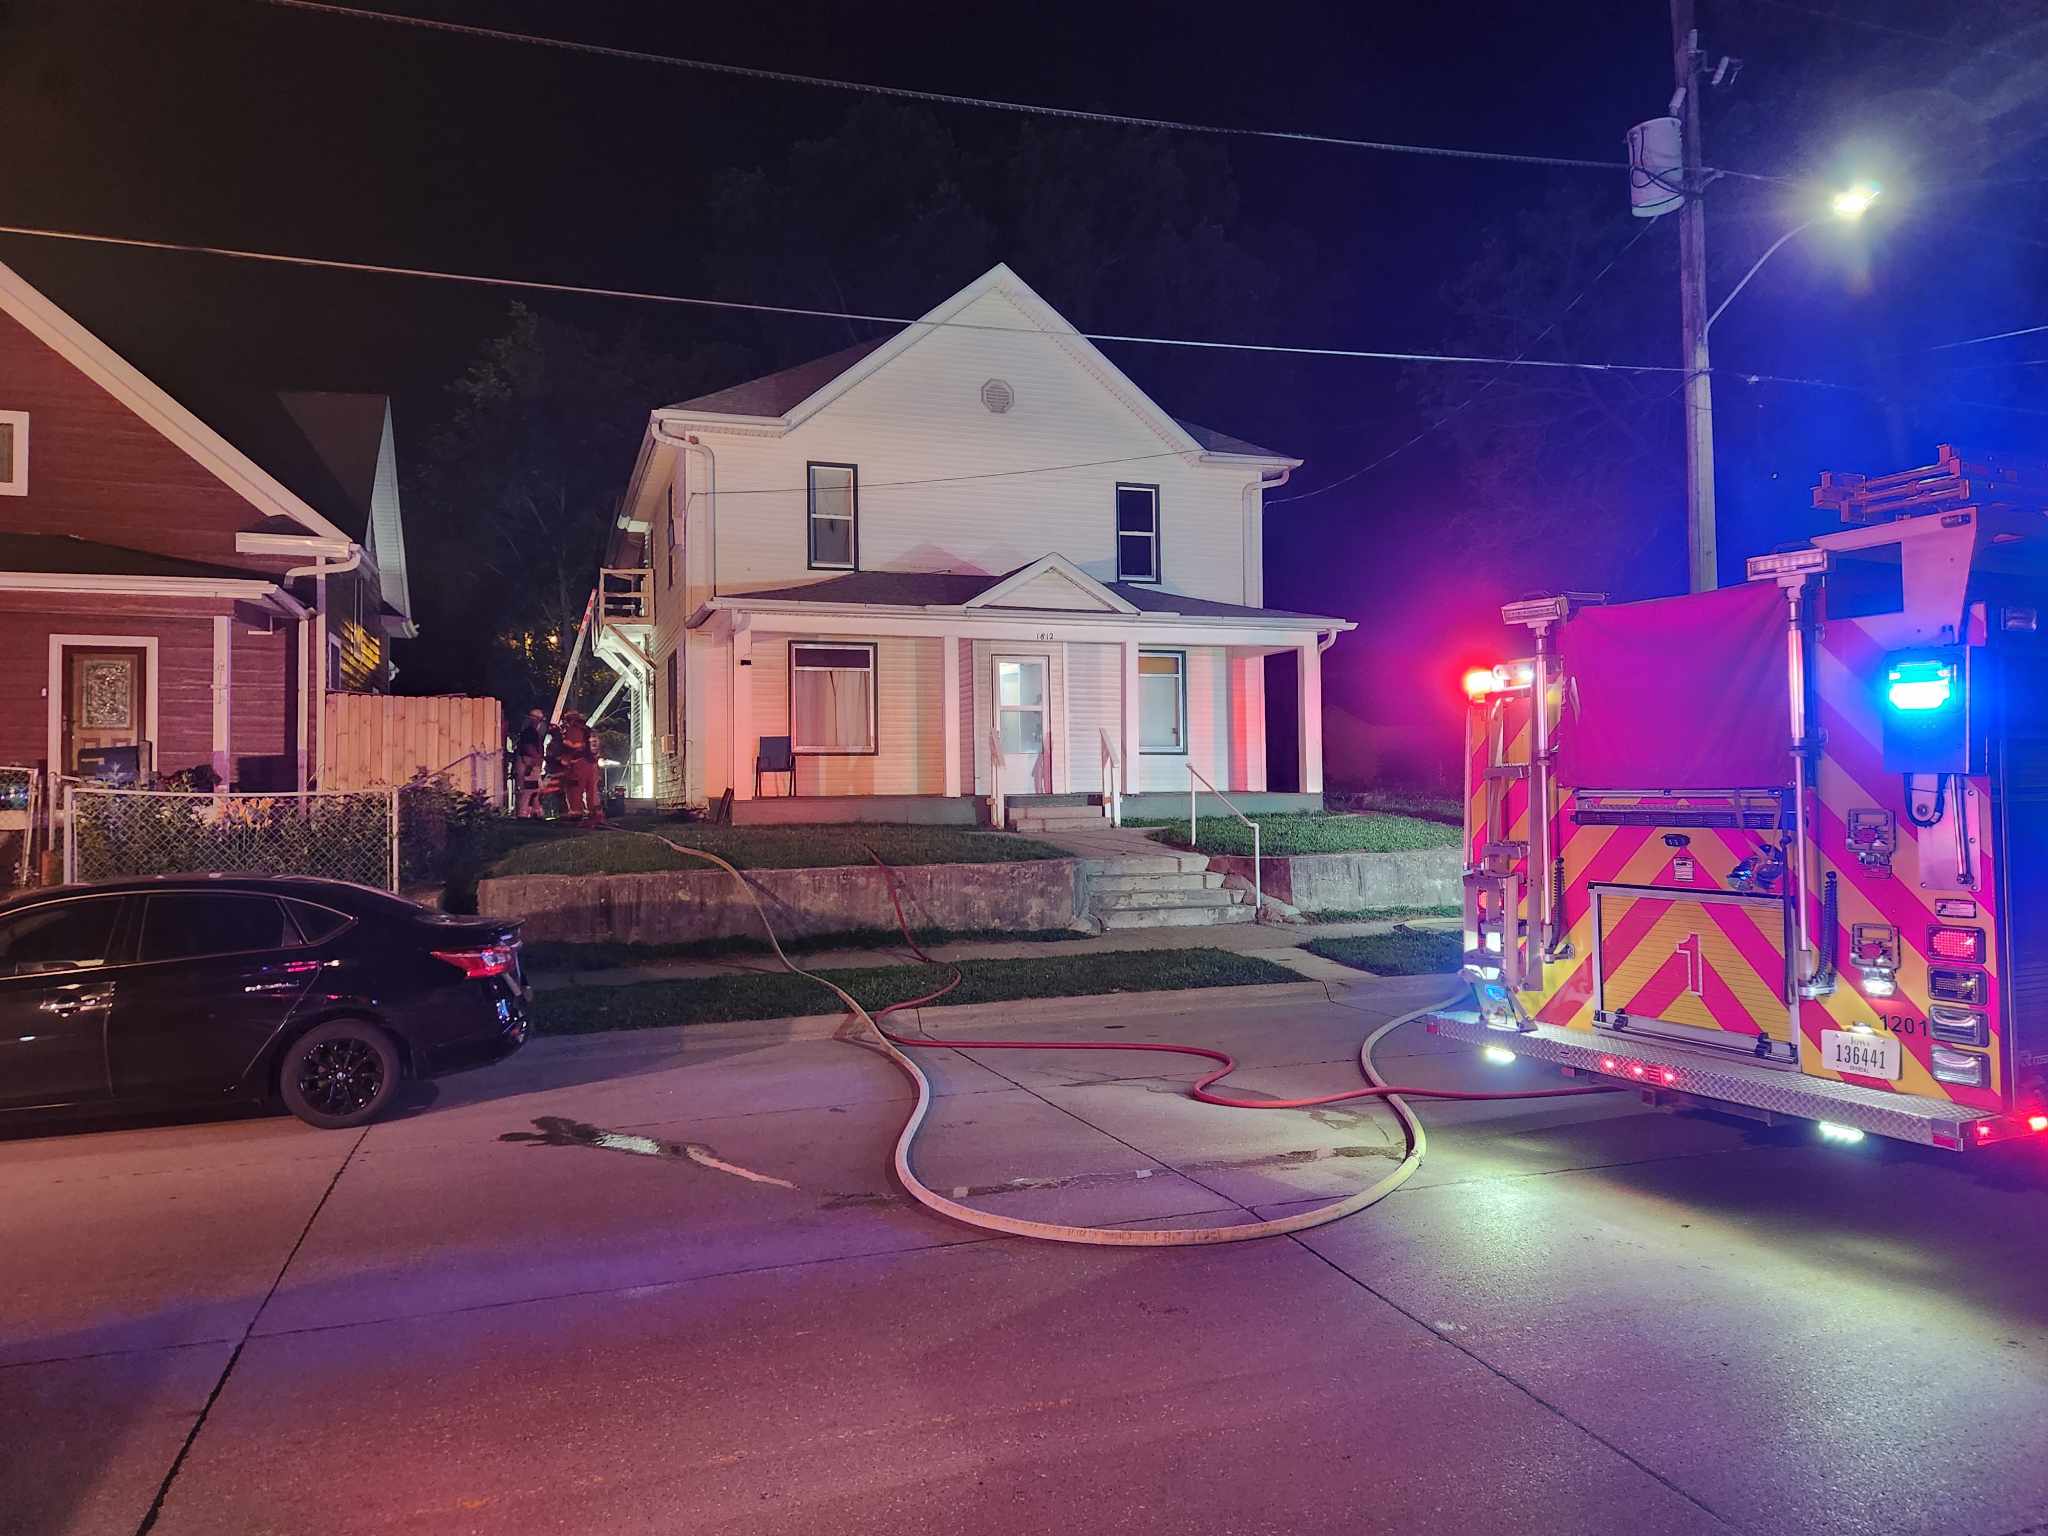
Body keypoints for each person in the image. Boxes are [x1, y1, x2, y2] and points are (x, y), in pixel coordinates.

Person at [557, 709, 603, 825]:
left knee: (574, 789)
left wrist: (563, 759)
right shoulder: (587, 730)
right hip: (592, 765)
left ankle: (576, 814)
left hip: (578, 765)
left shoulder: (574, 730)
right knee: (592, 790)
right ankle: (595, 814)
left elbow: (570, 746)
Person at [514, 708, 548, 819]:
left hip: (531, 764)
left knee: (534, 791)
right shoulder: (530, 732)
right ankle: (523, 814)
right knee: (529, 790)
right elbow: (529, 748)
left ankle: (536, 813)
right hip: (529, 765)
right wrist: (536, 760)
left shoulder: (530, 732)